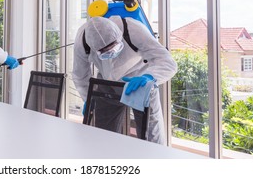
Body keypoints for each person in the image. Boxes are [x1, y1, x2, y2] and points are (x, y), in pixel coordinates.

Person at [72, 16, 177, 144]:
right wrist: (88, 99)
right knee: (103, 136)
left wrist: (149, 77)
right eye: (105, 53)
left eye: (114, 47)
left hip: (139, 82)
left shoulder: (133, 29)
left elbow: (167, 61)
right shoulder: (83, 40)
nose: (111, 54)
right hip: (108, 84)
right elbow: (80, 75)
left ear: (119, 35)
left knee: (151, 137)